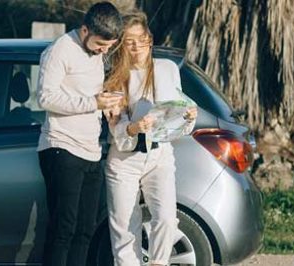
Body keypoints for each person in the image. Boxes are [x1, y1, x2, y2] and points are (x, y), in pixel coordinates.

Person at [103, 11, 197, 266]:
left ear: (150, 39)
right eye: (129, 40)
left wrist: (188, 116)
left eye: (140, 39)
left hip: (160, 154)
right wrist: (133, 127)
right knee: (124, 228)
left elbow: (178, 110)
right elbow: (116, 127)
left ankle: (159, 263)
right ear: (123, 44)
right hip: (124, 160)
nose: (136, 46)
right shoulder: (116, 76)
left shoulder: (167, 69)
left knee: (166, 218)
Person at [36, 2, 124, 266]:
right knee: (64, 229)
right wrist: (93, 103)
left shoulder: (96, 53)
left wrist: (106, 108)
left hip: (91, 150)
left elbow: (87, 95)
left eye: (109, 46)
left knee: (86, 230)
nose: (104, 50)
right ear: (85, 30)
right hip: (62, 147)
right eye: (101, 44)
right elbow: (45, 97)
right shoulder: (60, 50)